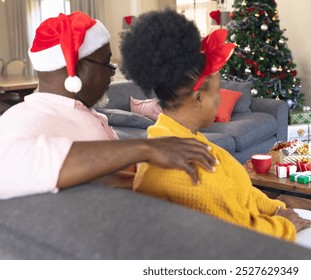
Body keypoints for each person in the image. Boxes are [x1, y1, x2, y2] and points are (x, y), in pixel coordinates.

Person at [120, 9, 311, 260]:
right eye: (217, 92)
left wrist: (278, 208)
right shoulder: (182, 167)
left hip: (253, 227)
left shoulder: (183, 137)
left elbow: (240, 192)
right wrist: (285, 224)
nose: (220, 100)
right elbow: (233, 237)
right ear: (198, 98)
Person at [0, 11, 217, 200]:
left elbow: (102, 175)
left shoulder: (77, 110)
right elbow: (6, 165)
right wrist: (146, 149)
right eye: (106, 64)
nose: (112, 74)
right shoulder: (27, 117)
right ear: (76, 67)